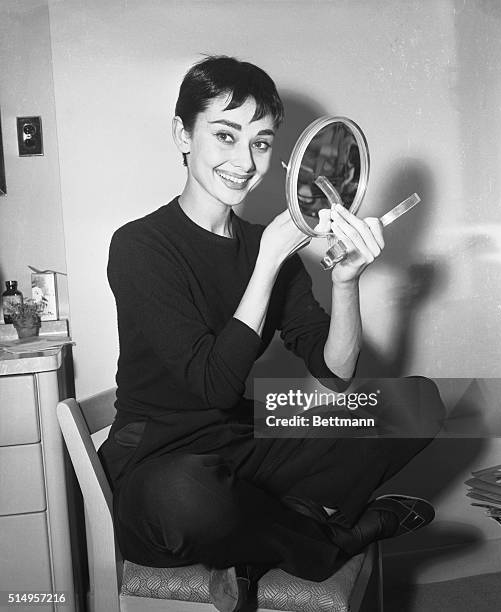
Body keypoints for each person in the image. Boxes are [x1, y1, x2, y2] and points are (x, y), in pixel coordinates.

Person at [99, 55, 444, 612]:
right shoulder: (139, 247)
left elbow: (335, 375)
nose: (244, 159)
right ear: (182, 136)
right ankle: (328, 541)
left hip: (242, 441)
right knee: (191, 498)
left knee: (421, 402)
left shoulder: (270, 247)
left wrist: (346, 280)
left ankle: (258, 535)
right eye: (225, 135)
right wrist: (264, 265)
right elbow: (210, 384)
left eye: (260, 142)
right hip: (157, 461)